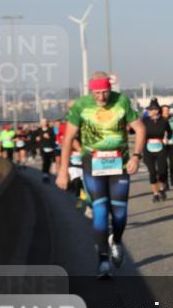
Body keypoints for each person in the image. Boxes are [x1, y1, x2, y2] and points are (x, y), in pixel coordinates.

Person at [56, 71, 145, 279]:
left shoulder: (121, 101)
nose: (102, 98)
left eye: (105, 92)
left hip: (119, 164)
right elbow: (68, 138)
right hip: (92, 165)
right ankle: (103, 261)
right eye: (97, 93)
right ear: (90, 90)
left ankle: (117, 240)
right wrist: (63, 171)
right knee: (100, 212)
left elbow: (139, 129)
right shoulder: (81, 106)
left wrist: (136, 156)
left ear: (110, 89)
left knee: (120, 213)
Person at [142, 98, 173, 202]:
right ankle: (155, 193)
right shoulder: (144, 121)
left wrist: (167, 139)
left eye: (155, 109)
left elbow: (170, 132)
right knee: (152, 172)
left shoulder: (164, 121)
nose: (153, 111)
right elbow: (135, 130)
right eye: (151, 109)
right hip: (147, 148)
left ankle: (161, 188)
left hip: (160, 146)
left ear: (158, 110)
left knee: (162, 171)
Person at [34, 118, 57, 183]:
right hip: (43, 148)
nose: (43, 124)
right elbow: (34, 139)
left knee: (49, 161)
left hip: (50, 148)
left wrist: (49, 137)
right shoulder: (38, 130)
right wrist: (37, 139)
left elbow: (54, 138)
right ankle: (45, 175)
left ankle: (48, 173)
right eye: (42, 122)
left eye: (44, 122)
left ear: (46, 123)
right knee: (45, 161)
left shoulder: (50, 130)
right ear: (40, 123)